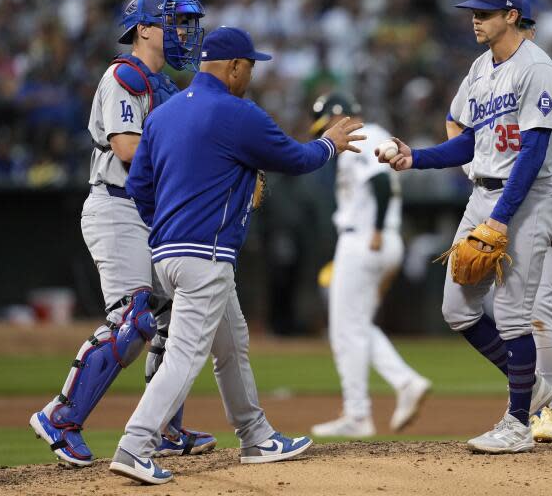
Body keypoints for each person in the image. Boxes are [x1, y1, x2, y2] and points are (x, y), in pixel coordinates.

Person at [108, 27, 365, 485]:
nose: (250, 73)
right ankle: (135, 443)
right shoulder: (236, 112)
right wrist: (330, 143)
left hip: (168, 252)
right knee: (185, 355)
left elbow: (138, 187)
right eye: (249, 65)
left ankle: (255, 435)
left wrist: (166, 227)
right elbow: (294, 158)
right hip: (203, 251)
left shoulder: (164, 115)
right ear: (233, 67)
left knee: (231, 343)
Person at [378, 0, 552, 454]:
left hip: (529, 198)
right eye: (473, 11)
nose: (475, 18)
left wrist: (500, 218)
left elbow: (534, 150)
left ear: (511, 16)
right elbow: (469, 141)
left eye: (484, 12)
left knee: (516, 315)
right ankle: (535, 388)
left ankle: (519, 422)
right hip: (481, 194)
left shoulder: (538, 69)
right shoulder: (479, 69)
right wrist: (414, 157)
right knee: (456, 308)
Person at [29, 0, 215, 467]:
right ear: (145, 29)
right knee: (132, 319)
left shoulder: (166, 87)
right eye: (175, 23)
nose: (184, 34)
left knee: (177, 319)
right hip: (117, 208)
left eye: (186, 25)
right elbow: (129, 148)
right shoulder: (126, 75)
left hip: (149, 213)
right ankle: (61, 416)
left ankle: (164, 428)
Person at [442, 3, 552, 444]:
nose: (528, 36)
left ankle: (548, 412)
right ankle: (537, 395)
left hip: (545, 202)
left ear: (521, 24)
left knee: (533, 310)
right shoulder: (486, 71)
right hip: (494, 194)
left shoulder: (551, 72)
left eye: (530, 28)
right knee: (475, 308)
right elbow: (457, 121)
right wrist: (475, 165)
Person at [308, 92, 432, 438]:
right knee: (356, 324)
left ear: (340, 116)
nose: (325, 132)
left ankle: (358, 413)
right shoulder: (375, 135)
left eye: (326, 124)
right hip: (378, 237)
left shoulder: (362, 136)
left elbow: (377, 183)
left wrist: (375, 230)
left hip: (365, 237)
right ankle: (405, 382)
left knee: (344, 328)